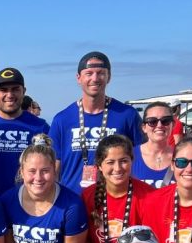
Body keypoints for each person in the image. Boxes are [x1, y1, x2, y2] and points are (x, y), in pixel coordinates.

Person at [49, 51, 142, 194]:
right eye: (89, 73)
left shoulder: (127, 115)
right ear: (78, 78)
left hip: (115, 199)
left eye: (100, 73)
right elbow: (54, 166)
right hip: (74, 201)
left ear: (109, 77)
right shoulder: (62, 119)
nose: (95, 78)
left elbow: (140, 159)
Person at [82, 135, 155, 243]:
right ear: (99, 165)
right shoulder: (88, 196)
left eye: (123, 161)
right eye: (110, 162)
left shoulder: (148, 195)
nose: (117, 168)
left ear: (132, 161)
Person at [0, 67, 50, 196]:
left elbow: (51, 167)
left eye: (15, 89)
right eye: (3, 90)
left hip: (27, 205)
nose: (10, 95)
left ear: (24, 91)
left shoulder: (40, 127)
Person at [132, 102, 175, 188]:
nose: (159, 125)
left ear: (172, 125)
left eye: (165, 121)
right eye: (152, 121)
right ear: (144, 127)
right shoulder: (130, 156)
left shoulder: (182, 157)